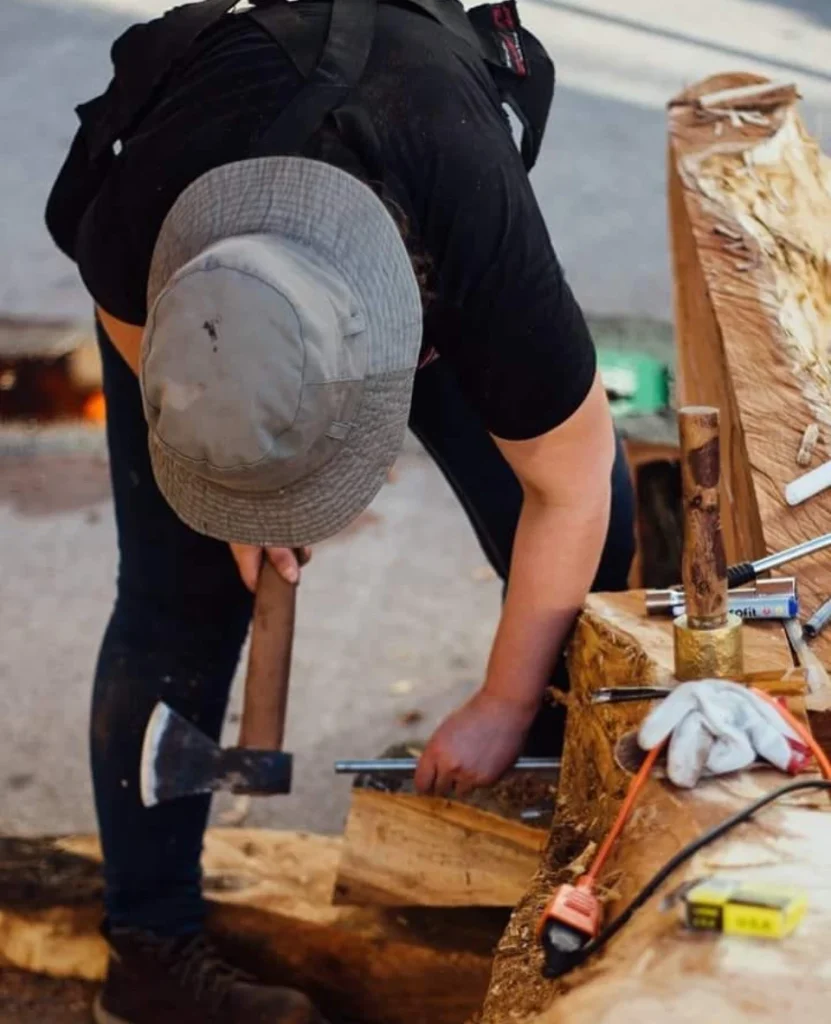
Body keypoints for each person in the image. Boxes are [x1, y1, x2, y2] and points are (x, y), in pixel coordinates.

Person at [46, 0, 634, 1020]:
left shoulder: (471, 228)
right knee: (174, 601)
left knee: (597, 549)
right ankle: (148, 952)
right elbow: (124, 312)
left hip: (413, 206)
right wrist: (233, 471)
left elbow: (572, 482)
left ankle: (560, 804)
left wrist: (502, 697)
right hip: (218, 312)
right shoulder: (150, 198)